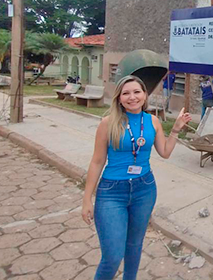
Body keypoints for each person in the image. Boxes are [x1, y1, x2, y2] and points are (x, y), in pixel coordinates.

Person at [81, 75, 191, 280]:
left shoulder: (153, 121)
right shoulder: (108, 123)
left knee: (134, 246)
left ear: (145, 95)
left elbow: (165, 152)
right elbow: (97, 162)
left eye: (137, 92)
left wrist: (175, 130)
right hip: (111, 193)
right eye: (126, 93)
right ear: (119, 98)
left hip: (144, 189)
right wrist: (87, 198)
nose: (132, 97)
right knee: (112, 256)